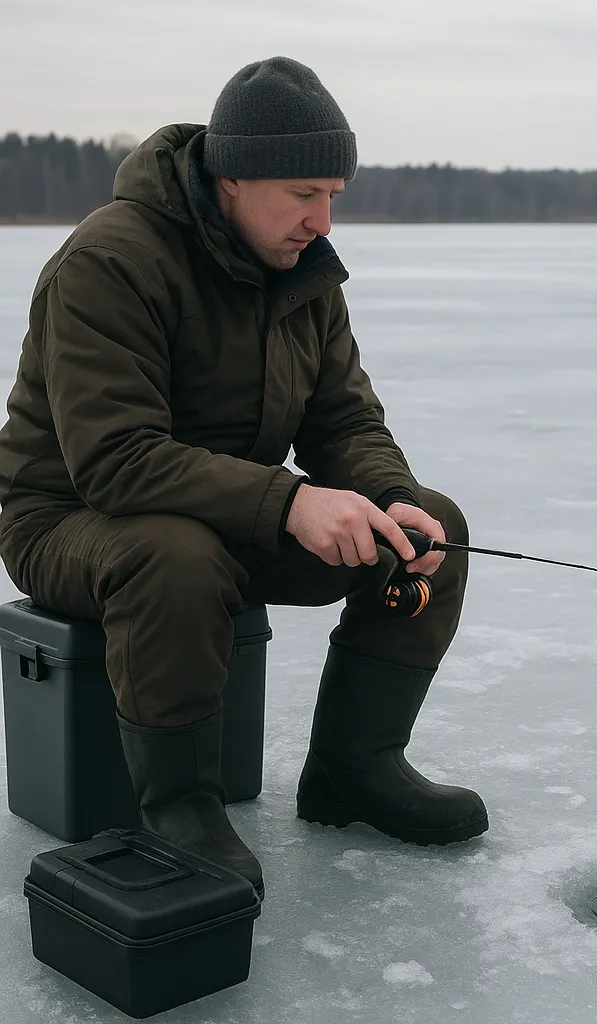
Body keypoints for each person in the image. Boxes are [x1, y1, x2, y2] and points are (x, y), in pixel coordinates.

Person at [0, 57, 487, 900]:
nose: (322, 217)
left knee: (430, 523)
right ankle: (179, 810)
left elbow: (343, 421)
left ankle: (353, 770)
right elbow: (115, 458)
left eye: (333, 193)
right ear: (232, 177)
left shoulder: (304, 271)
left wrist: (390, 496)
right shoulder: (109, 262)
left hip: (220, 514)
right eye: (304, 192)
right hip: (67, 517)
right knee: (174, 556)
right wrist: (290, 501)